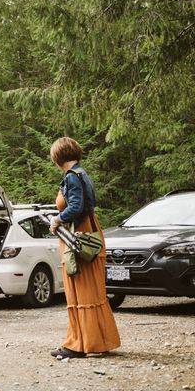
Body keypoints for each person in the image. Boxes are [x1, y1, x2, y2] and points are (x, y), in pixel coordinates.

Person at [46, 136, 120, 359]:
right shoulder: (82, 174)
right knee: (92, 290)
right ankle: (98, 341)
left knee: (80, 290)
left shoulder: (71, 177)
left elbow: (76, 207)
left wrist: (57, 219)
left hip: (78, 237)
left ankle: (77, 345)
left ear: (58, 156)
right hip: (88, 231)